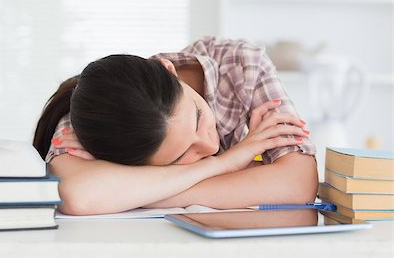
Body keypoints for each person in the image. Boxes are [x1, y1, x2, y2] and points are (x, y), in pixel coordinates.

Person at [33, 36, 318, 215]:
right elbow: (79, 196)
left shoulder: (242, 65)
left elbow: (298, 184)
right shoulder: (96, 120)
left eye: (198, 117)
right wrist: (223, 165)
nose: (211, 145)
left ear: (169, 69)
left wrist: (142, 192)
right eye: (180, 157)